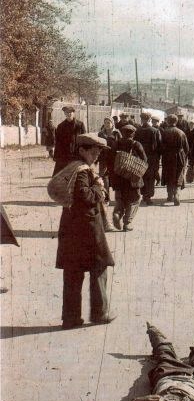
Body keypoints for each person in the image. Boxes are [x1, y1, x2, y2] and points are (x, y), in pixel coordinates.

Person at [55, 133, 115, 330]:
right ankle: (100, 314)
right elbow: (85, 195)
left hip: (72, 227)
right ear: (82, 150)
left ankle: (70, 318)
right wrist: (100, 189)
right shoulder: (82, 170)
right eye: (94, 151)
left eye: (98, 152)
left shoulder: (71, 166)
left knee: (73, 273)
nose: (96, 156)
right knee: (99, 268)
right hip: (86, 228)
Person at [109, 125, 147, 231]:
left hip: (119, 177)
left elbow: (111, 160)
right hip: (132, 178)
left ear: (122, 133)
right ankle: (127, 223)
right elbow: (144, 159)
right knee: (134, 200)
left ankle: (117, 214)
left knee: (120, 199)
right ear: (133, 134)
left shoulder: (116, 144)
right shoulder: (136, 144)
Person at [98, 117, 122, 232]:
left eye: (109, 122)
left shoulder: (117, 133)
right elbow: (97, 145)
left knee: (116, 180)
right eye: (105, 122)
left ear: (113, 124)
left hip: (115, 160)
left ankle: (118, 200)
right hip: (103, 160)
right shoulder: (100, 133)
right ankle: (106, 200)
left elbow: (121, 145)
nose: (107, 124)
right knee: (104, 181)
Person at [160, 114, 189, 206]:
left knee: (168, 174)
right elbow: (186, 148)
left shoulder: (164, 132)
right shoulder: (181, 133)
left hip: (167, 156)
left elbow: (161, 146)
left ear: (168, 121)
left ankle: (169, 195)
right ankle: (176, 193)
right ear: (176, 122)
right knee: (178, 174)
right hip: (179, 156)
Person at [134, 112, 162, 205]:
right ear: (150, 120)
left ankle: (143, 195)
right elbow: (159, 146)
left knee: (142, 176)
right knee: (150, 178)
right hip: (152, 158)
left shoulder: (137, 131)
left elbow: (135, 145)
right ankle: (148, 196)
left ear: (141, 120)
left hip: (141, 158)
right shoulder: (155, 131)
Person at [52, 106, 86, 175]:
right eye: (67, 112)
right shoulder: (61, 126)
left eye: (70, 112)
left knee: (77, 175)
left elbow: (84, 140)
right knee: (61, 175)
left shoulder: (80, 125)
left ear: (73, 113)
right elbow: (58, 143)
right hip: (64, 154)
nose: (69, 114)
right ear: (65, 114)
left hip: (77, 154)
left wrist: (85, 154)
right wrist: (56, 156)